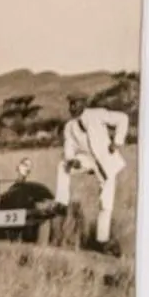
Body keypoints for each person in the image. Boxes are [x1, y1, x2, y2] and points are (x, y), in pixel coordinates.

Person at [58, 96, 130, 249]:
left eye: (75, 103)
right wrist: (72, 159)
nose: (72, 108)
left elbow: (122, 118)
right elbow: (68, 145)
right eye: (70, 104)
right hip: (87, 160)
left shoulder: (97, 114)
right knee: (63, 165)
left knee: (106, 202)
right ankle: (61, 202)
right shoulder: (69, 126)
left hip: (105, 161)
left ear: (83, 103)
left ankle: (102, 240)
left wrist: (116, 142)